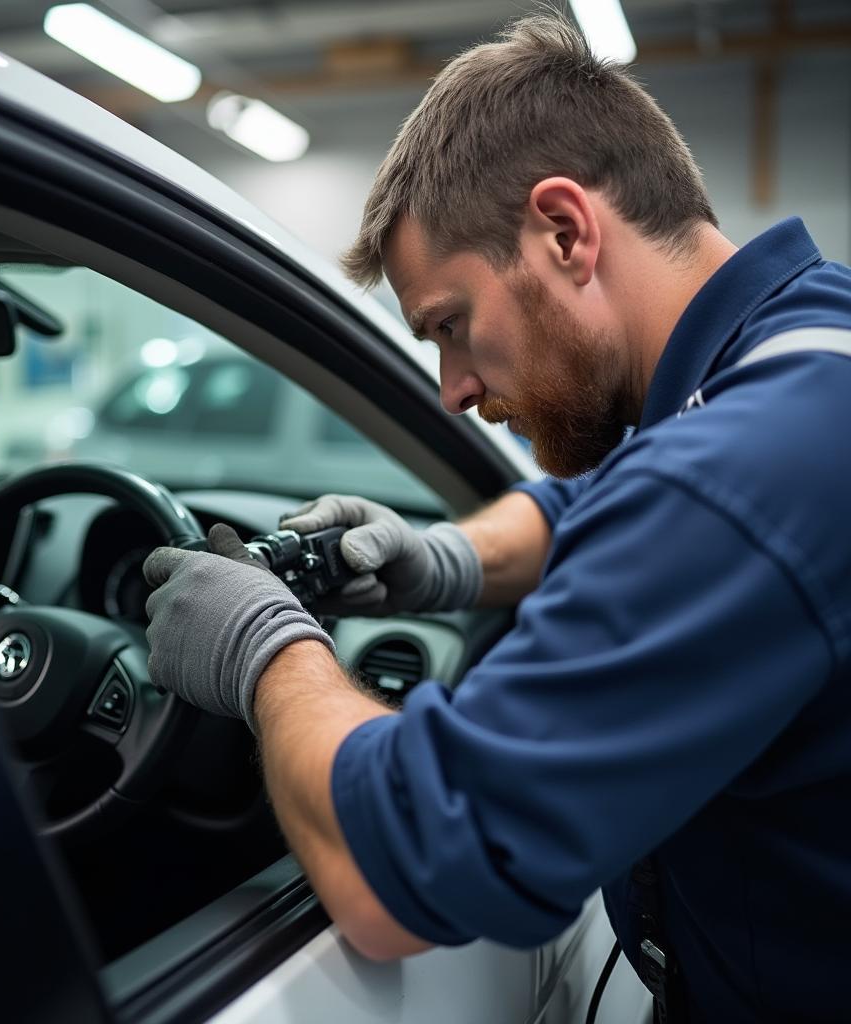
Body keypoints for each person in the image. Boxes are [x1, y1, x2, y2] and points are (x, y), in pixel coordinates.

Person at [143, 13, 851, 1022]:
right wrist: (442, 562)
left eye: (449, 326)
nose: (451, 390)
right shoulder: (798, 351)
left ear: (564, 232)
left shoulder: (745, 470)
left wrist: (265, 650)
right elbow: (621, 505)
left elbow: (406, 871)